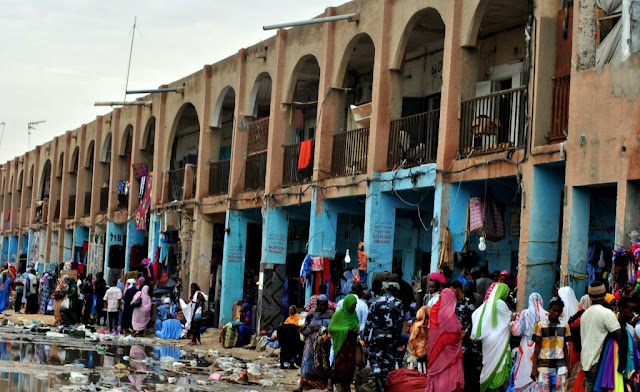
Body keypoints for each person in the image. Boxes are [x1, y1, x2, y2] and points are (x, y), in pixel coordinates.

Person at [580, 281, 625, 392]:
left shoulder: (585, 314)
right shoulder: (606, 313)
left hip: (586, 361)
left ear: (589, 296)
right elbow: (620, 336)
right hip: (599, 361)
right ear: (605, 294)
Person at [471, 282, 512, 392]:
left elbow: (474, 315)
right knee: (499, 367)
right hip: (499, 341)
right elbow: (510, 318)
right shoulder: (500, 303)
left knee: (489, 364)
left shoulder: (487, 303)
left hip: (488, 340)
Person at [364, 282, 404, 390]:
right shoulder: (398, 304)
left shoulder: (375, 301)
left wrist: (366, 338)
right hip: (390, 337)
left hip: (376, 336)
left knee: (375, 360)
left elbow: (369, 321)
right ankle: (384, 386)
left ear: (385, 290)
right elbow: (399, 325)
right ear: (395, 291)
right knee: (387, 362)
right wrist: (396, 339)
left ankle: (378, 384)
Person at [425, 288, 465, 392]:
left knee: (437, 373)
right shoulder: (450, 314)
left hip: (435, 350)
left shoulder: (434, 310)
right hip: (450, 354)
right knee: (449, 373)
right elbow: (455, 335)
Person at [509, 293, 548, 392]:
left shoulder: (526, 313)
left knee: (525, 371)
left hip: (527, 348)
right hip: (541, 348)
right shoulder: (547, 315)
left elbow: (517, 331)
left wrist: (512, 322)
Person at [295, 295, 334, 391]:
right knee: (307, 361)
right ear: (317, 304)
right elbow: (305, 327)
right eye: (321, 305)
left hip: (326, 341)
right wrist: (311, 330)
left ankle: (329, 384)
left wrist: (327, 330)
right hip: (311, 341)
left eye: (324, 305)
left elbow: (335, 326)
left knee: (327, 362)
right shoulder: (312, 313)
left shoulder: (331, 314)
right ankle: (301, 385)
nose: (323, 307)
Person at [531, 297, 571, 392]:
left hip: (560, 367)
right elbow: (537, 349)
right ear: (549, 309)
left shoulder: (565, 326)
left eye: (558, 311)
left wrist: (568, 366)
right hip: (544, 367)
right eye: (554, 310)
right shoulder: (540, 326)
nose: (556, 313)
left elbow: (565, 347)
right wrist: (534, 368)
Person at [451, 280, 481, 392]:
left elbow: (475, 322)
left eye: (452, 290)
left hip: (466, 345)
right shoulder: (454, 304)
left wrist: (467, 332)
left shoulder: (469, 305)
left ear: (457, 289)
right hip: (455, 343)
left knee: (466, 369)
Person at [329, 294, 360, 392]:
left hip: (351, 344)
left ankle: (345, 387)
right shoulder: (339, 314)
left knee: (350, 367)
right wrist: (345, 329)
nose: (354, 307)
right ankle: (332, 380)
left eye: (355, 305)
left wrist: (355, 330)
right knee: (340, 366)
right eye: (352, 305)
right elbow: (331, 328)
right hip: (342, 344)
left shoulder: (354, 314)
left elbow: (356, 325)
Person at [407, 305, 429, 372]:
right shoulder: (428, 326)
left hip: (417, 352)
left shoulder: (416, 326)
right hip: (421, 353)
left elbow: (411, 340)